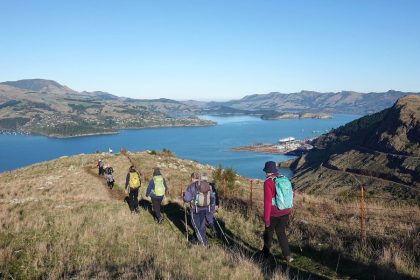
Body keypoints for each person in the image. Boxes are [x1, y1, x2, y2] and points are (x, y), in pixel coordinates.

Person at [261, 161, 294, 262]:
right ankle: (287, 255)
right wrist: (289, 209)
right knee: (281, 233)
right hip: (285, 211)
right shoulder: (283, 178)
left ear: (267, 171)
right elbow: (292, 194)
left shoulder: (268, 182)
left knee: (268, 233)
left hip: (274, 213)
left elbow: (267, 202)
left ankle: (265, 254)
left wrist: (266, 219)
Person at [183, 172, 215, 246]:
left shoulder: (192, 186)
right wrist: (211, 210)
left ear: (192, 178)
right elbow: (212, 198)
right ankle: (196, 240)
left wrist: (184, 197)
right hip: (206, 209)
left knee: (197, 227)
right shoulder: (208, 186)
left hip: (195, 210)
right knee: (201, 226)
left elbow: (187, 199)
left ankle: (204, 244)